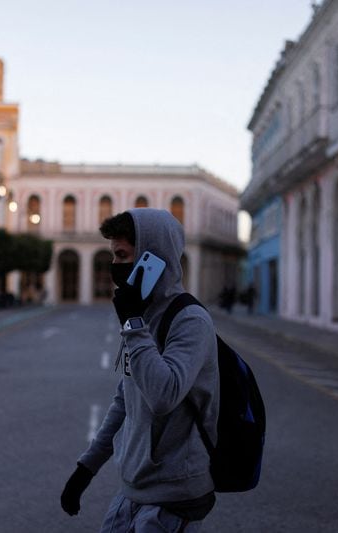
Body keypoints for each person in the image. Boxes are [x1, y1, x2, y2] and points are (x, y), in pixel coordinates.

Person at [60, 208, 220, 532]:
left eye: (122, 256)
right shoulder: (146, 315)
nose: (115, 267)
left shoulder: (191, 321)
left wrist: (133, 323)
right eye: (113, 256)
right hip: (134, 487)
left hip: (175, 495)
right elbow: (125, 399)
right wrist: (86, 468)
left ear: (152, 258)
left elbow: (163, 396)